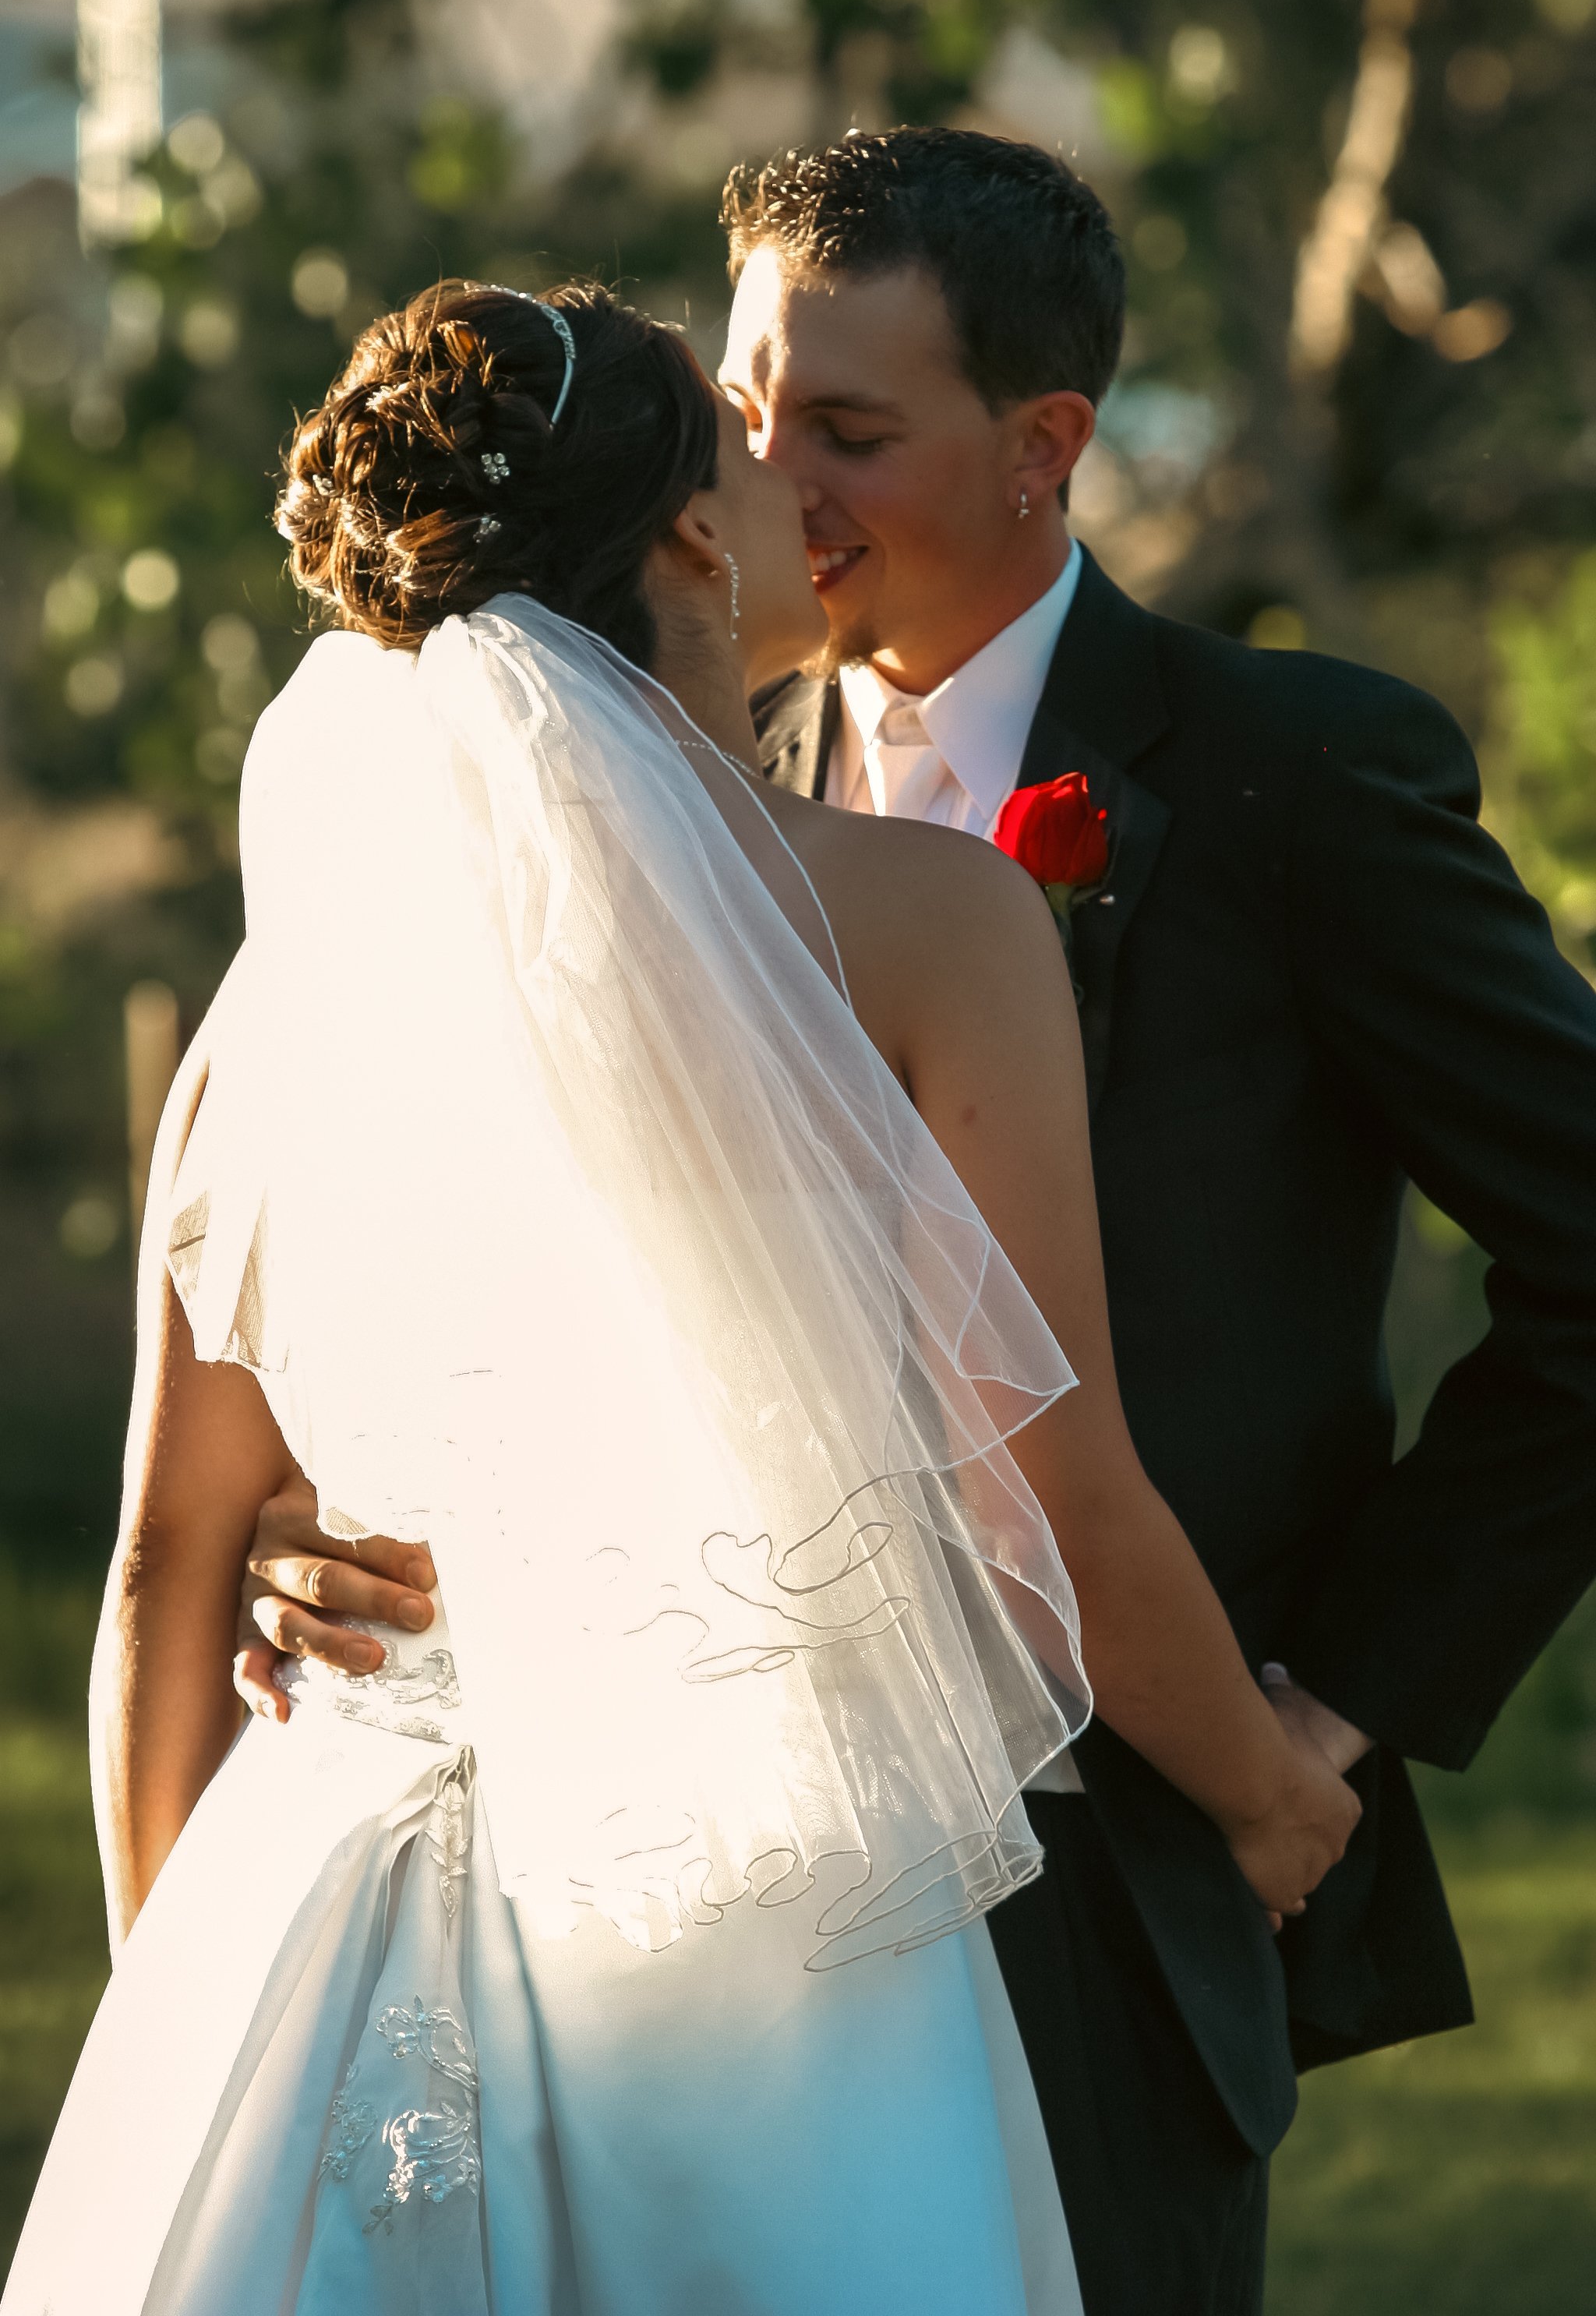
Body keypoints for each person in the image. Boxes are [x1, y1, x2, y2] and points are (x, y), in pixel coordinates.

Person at [243, 126, 1596, 2316]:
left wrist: (1329, 1712)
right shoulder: (617, 803)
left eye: (851, 431)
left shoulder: (1290, 784)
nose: (774, 485)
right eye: (755, 416)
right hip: (680, 1912)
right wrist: (344, 1520)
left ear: (1045, 445)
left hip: (1122, 1871)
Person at [3, 280, 1356, 2316]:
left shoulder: (278, 1008)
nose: (794, 473)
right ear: (697, 543)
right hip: (766, 1938)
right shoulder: (923, 930)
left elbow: (164, 1557)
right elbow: (1047, 1502)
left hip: (328, 1869)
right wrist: (1270, 1797)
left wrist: (189, 2012)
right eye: (744, 443)